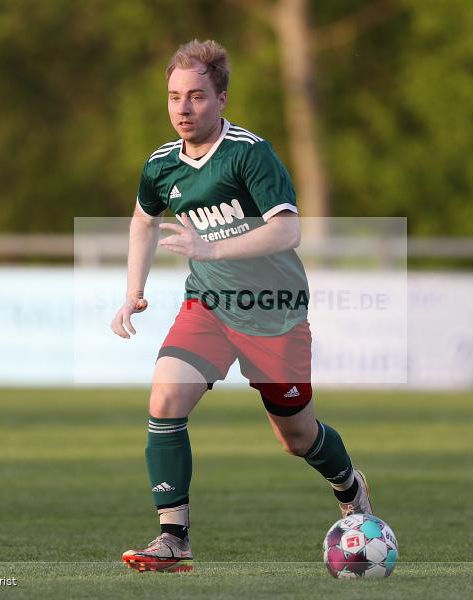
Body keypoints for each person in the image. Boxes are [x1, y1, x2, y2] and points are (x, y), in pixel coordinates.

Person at [111, 39, 372, 574]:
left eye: (197, 97)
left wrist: (213, 247)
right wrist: (133, 289)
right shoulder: (161, 165)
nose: (184, 108)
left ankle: (348, 483)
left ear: (222, 98)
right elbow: (143, 220)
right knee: (165, 399)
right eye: (174, 97)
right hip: (207, 305)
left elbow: (288, 229)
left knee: (297, 438)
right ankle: (174, 536)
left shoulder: (249, 153)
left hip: (272, 310)